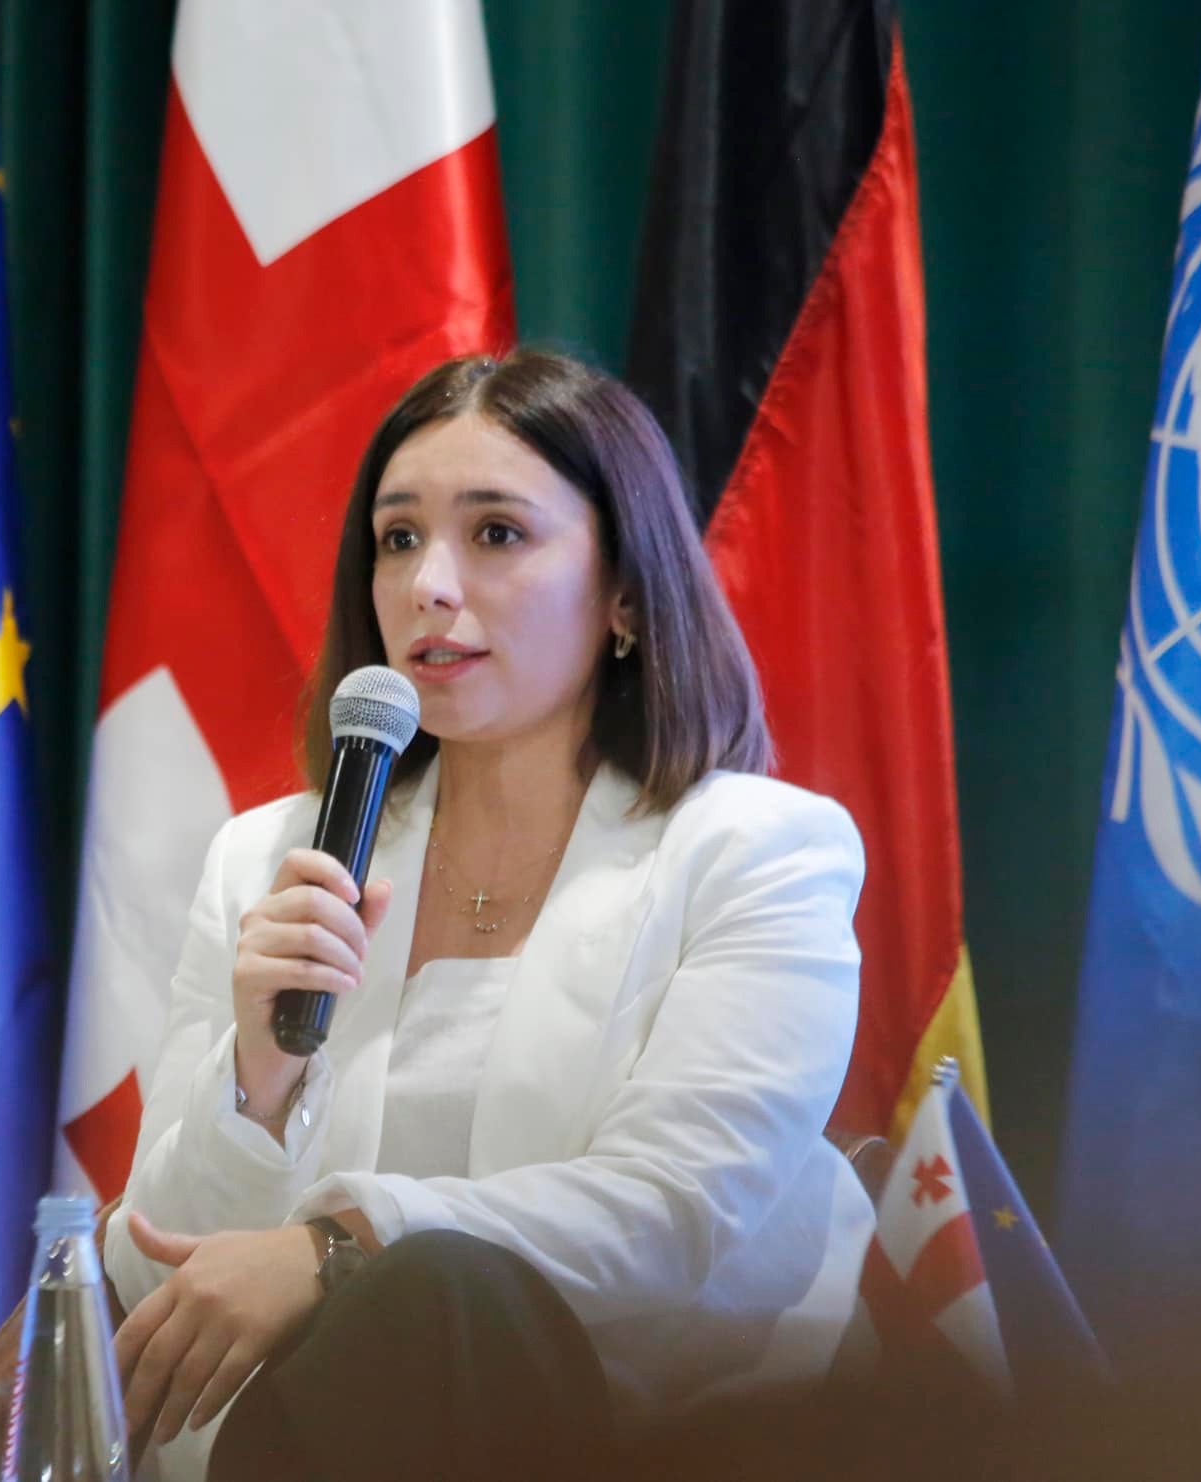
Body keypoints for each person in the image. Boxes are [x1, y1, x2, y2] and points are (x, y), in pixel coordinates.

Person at [102, 348, 872, 1482]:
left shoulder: (758, 850)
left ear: (624, 594)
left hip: (657, 1439)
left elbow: (673, 1210)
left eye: (496, 533)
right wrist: (257, 1080)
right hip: (313, 1445)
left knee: (437, 1296)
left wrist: (335, 1249)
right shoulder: (266, 860)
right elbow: (153, 1262)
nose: (428, 584)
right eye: (397, 538)